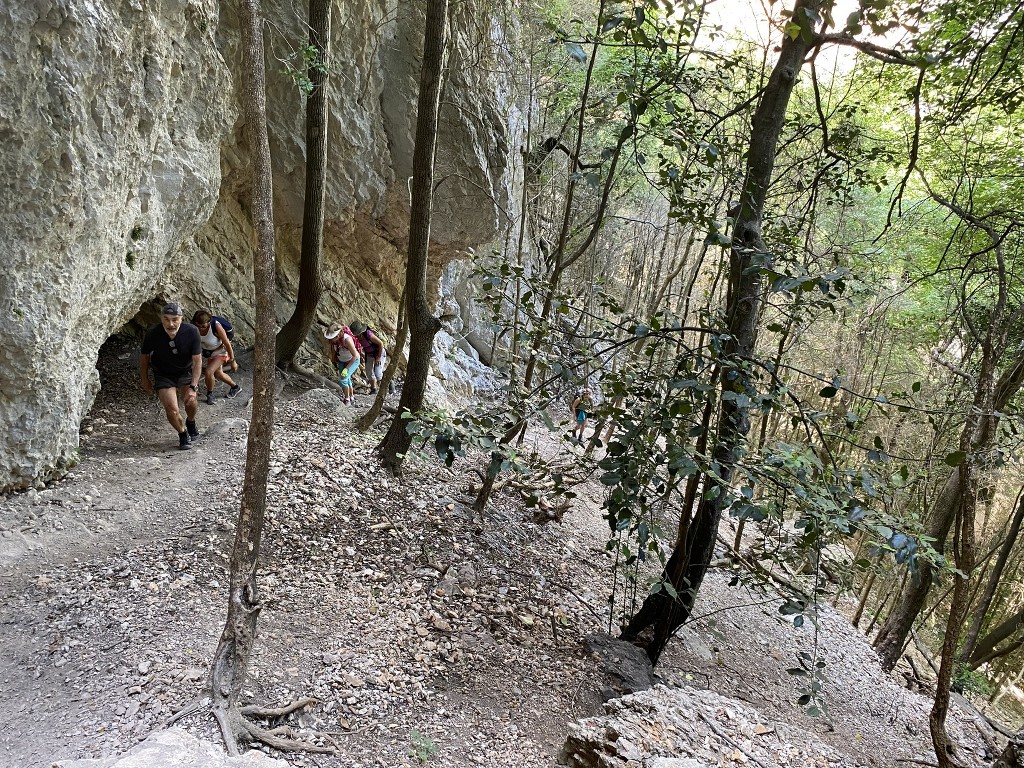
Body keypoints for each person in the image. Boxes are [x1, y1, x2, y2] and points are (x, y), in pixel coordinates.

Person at [140, 303, 203, 450]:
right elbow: (144, 358)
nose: (171, 324)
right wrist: (145, 379)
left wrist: (193, 387)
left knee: (190, 402)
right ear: (161, 318)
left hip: (185, 371)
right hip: (163, 374)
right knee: (172, 409)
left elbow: (197, 361)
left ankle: (191, 421)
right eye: (166, 319)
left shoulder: (192, 331)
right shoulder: (153, 333)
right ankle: (182, 433)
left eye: (175, 319)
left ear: (181, 318)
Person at [192, 310, 241, 404]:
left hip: (221, 351)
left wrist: (232, 361)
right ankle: (235, 387)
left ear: (209, 322)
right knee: (218, 374)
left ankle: (210, 394)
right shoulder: (194, 327)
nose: (201, 328)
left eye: (203, 326)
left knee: (209, 371)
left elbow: (227, 343)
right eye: (199, 326)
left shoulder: (216, 326)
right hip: (210, 352)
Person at [325, 322, 361, 405]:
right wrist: (333, 360)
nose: (332, 339)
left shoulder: (347, 339)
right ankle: (351, 396)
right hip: (342, 360)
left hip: (353, 360)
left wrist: (346, 368)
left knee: (342, 379)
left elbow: (355, 355)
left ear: (340, 333)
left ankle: (347, 399)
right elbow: (334, 350)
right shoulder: (334, 340)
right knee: (347, 379)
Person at [349, 321, 387, 393]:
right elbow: (359, 347)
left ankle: (389, 382)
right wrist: (361, 354)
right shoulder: (356, 337)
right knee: (369, 372)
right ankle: (374, 389)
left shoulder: (368, 334)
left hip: (379, 352)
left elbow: (380, 344)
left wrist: (378, 357)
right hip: (369, 354)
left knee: (378, 373)